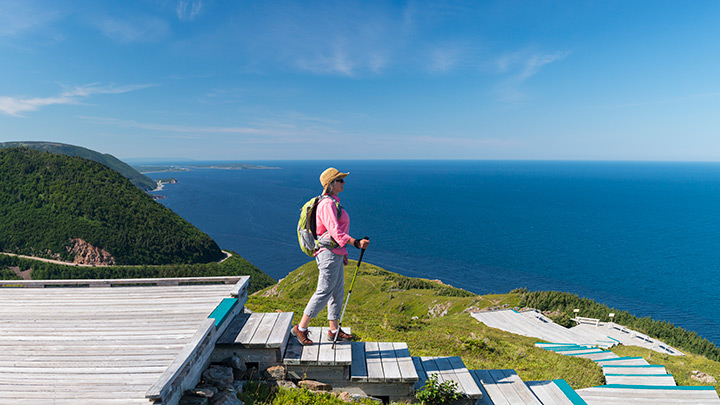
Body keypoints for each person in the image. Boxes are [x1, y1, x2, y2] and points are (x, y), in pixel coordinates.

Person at [291, 167, 370, 345]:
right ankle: (301, 328)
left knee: (336, 292)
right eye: (340, 180)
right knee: (324, 291)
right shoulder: (327, 204)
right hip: (327, 253)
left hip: (335, 252)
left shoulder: (333, 202)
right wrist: (355, 243)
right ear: (331, 184)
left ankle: (334, 329)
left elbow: (335, 231)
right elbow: (334, 230)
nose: (343, 182)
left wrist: (343, 253)